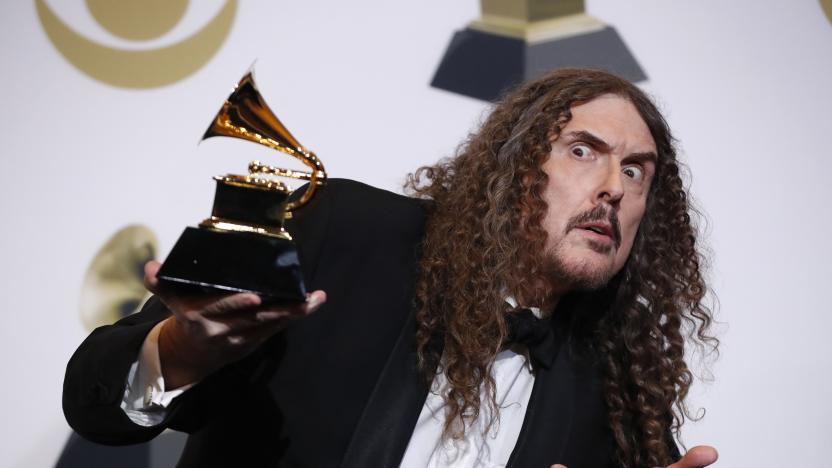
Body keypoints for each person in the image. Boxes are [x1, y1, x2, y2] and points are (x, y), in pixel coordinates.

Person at [63, 68, 719, 467]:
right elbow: (92, 403)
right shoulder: (339, 230)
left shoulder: (620, 390)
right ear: (513, 169)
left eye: (637, 171)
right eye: (584, 151)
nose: (614, 187)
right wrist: (177, 351)